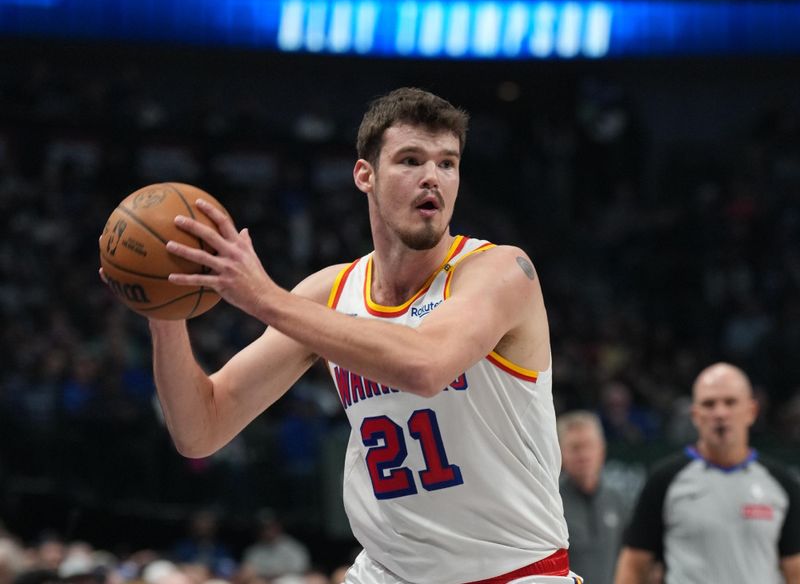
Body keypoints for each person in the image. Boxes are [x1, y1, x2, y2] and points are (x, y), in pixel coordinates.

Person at [104, 88, 581, 583]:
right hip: (385, 572)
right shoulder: (330, 292)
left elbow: (426, 365)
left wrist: (262, 296)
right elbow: (199, 428)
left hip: (513, 572)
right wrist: (162, 307)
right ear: (364, 175)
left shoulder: (502, 270)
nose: (431, 178)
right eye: (411, 160)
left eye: (447, 164)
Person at [613, 362, 800, 584]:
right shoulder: (663, 481)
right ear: (695, 414)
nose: (720, 413)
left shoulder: (782, 483)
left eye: (730, 402)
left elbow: (795, 571)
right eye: (709, 404)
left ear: (751, 411)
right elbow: (633, 566)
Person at [557, 411, 628, 584]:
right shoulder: (551, 502)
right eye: (575, 447)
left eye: (589, 445)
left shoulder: (617, 500)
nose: (583, 455)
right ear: (559, 453)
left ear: (602, 449)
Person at [240, 508, 311, 579]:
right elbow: (248, 571)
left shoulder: (294, 547)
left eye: (270, 526)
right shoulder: (253, 551)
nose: (268, 531)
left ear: (278, 526)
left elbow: (302, 569)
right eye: (263, 528)